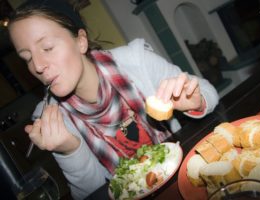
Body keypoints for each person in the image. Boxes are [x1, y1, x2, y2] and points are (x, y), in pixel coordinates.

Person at [8, 0, 219, 199]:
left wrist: (196, 102)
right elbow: (90, 194)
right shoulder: (52, 119)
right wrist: (70, 151)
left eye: (47, 48)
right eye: (27, 58)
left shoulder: (136, 60)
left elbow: (210, 93)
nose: (37, 66)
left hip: (187, 175)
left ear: (80, 41)